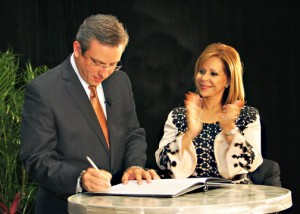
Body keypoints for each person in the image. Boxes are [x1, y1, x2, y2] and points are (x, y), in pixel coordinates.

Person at [20, 14, 159, 213]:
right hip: (66, 207)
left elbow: (133, 133)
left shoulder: (120, 81)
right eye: (97, 63)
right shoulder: (44, 90)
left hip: (120, 206)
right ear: (77, 49)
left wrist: (134, 166)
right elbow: (36, 158)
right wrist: (80, 178)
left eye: (113, 64)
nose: (104, 73)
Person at [155, 43, 263, 183]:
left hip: (234, 197)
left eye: (213, 73)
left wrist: (230, 130)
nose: (204, 78)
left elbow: (252, 163)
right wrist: (190, 133)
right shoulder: (178, 116)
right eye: (201, 71)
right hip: (187, 199)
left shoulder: (246, 116)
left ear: (228, 81)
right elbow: (162, 162)